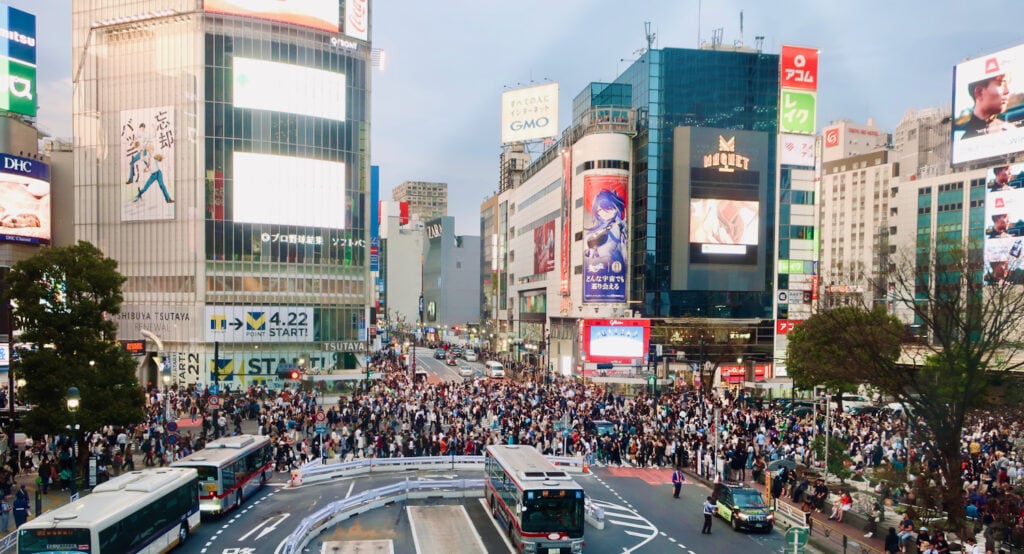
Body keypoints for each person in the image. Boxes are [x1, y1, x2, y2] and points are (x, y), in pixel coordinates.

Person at [962, 63, 1014, 139]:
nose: (1007, 91)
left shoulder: (1009, 129)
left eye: (1007, 84)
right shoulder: (964, 138)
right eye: (1001, 84)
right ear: (979, 93)